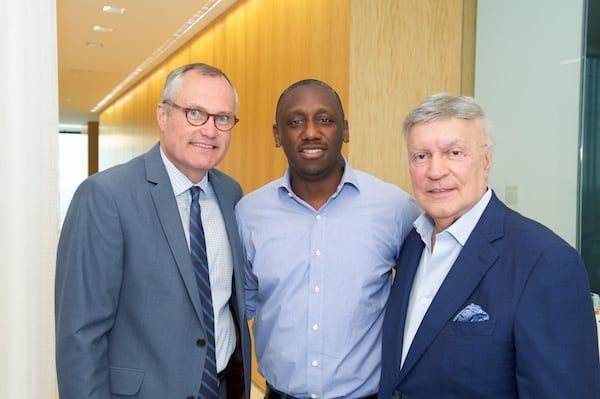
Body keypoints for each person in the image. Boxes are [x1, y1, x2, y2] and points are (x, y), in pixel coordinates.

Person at [379, 93, 600, 399]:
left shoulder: (546, 262)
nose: (435, 171)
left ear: (486, 160)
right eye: (421, 156)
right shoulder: (411, 244)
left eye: (454, 152)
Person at [55, 63, 251, 399]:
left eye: (222, 118)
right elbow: (80, 335)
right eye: (195, 113)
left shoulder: (232, 194)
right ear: (162, 115)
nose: (210, 130)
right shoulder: (105, 196)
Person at [235, 79, 420, 399]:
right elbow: (237, 312)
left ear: (345, 130)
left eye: (324, 120)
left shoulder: (395, 208)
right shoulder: (249, 213)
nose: (310, 132)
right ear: (277, 135)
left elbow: (421, 303)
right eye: (295, 122)